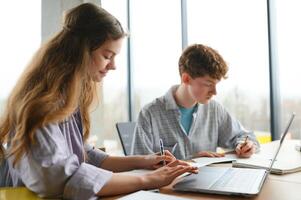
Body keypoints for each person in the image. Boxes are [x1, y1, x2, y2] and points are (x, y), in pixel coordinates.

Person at [0, 3, 197, 200]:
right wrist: (148, 179)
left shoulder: (67, 95)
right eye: (107, 56)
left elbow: (85, 156)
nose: (113, 66)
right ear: (81, 51)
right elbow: (61, 178)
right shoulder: (42, 103)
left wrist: (144, 161)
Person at [131, 44, 259, 160]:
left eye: (216, 84)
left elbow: (245, 137)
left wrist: (245, 145)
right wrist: (191, 161)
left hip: (208, 185)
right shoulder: (150, 114)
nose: (215, 92)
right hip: (167, 186)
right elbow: (138, 168)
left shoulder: (214, 110)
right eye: (208, 84)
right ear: (186, 78)